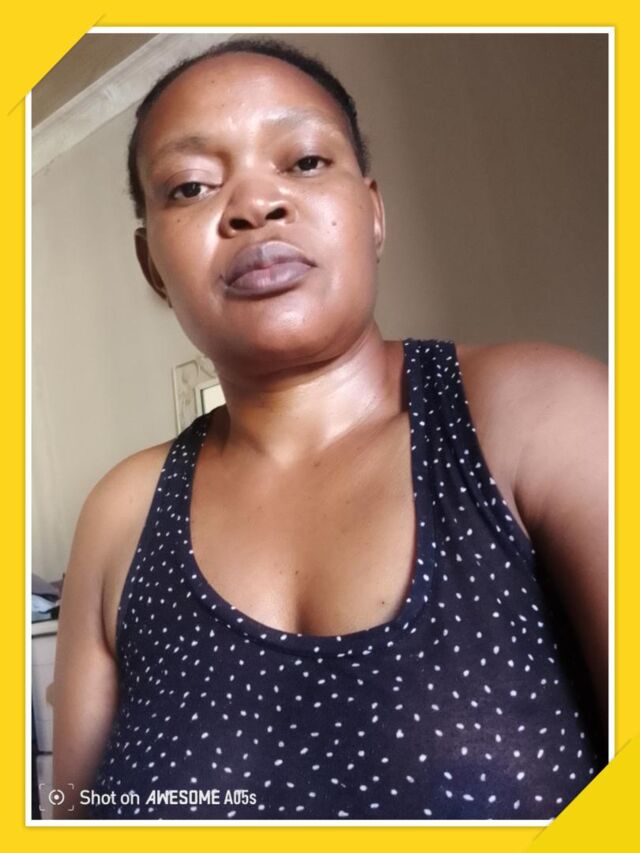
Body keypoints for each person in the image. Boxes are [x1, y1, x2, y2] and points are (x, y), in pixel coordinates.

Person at [51, 38, 608, 821]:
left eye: (306, 162)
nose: (254, 205)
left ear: (373, 211)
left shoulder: (541, 413)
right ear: (152, 267)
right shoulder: (121, 516)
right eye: (191, 185)